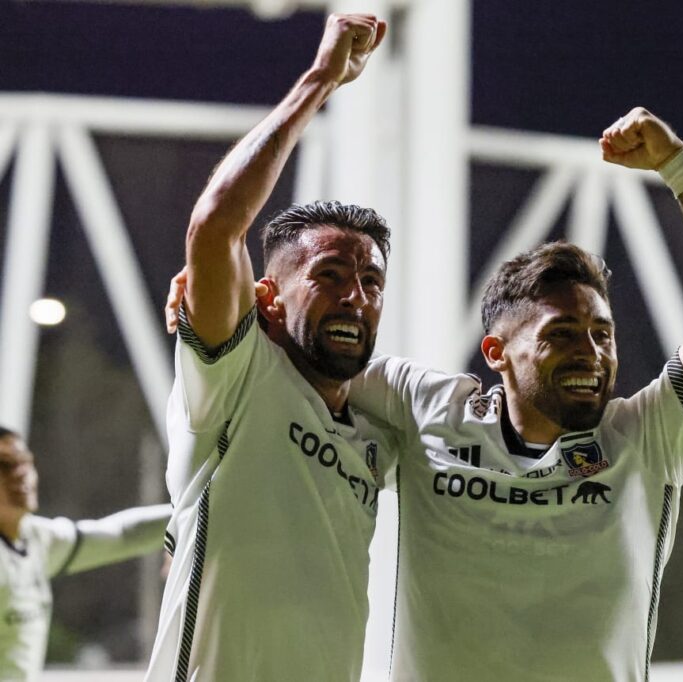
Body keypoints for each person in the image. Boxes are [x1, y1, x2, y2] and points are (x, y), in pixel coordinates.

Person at [347, 107, 683, 679]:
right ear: (496, 353)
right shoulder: (422, 405)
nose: (591, 352)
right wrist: (224, 316)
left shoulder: (646, 433)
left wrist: (679, 166)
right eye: (561, 335)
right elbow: (309, 354)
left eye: (603, 334)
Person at [144, 14, 398, 682]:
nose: (356, 298)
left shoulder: (380, 433)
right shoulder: (237, 374)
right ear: (266, 299)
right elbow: (215, 228)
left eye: (371, 282)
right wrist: (320, 81)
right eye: (330, 276)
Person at [0, 426, 171, 681]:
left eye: (26, 463)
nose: (22, 474)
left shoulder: (37, 540)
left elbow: (121, 535)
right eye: (6, 465)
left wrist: (186, 519)